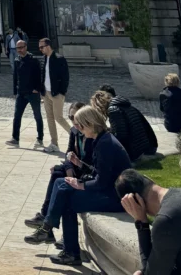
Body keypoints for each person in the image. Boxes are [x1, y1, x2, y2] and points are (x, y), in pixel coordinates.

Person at [25, 104, 130, 265]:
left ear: (90, 124)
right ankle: (54, 235)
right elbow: (100, 171)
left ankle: (57, 239)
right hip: (109, 190)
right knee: (61, 182)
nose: (78, 129)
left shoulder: (105, 144)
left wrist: (81, 185)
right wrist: (80, 165)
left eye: (80, 126)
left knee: (67, 200)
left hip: (114, 197)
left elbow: (102, 181)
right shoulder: (101, 139)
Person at [116, 164, 181, 275]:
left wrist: (141, 222)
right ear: (149, 179)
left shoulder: (166, 220)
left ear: (134, 203)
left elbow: (153, 272)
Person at [24, 101, 94, 228]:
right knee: (56, 172)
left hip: (86, 172)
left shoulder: (90, 134)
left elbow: (90, 163)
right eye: (70, 117)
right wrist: (68, 168)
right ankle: (45, 217)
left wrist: (73, 167)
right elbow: (68, 153)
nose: (73, 121)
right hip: (75, 168)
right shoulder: (74, 131)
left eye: (75, 117)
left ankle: (47, 221)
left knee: (59, 178)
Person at [95, 85, 158, 163]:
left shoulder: (113, 109)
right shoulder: (124, 105)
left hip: (132, 153)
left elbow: (120, 135)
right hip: (141, 148)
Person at [6, 40, 44, 148]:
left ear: (26, 47)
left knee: (37, 116)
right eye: (18, 48)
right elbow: (15, 77)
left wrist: (37, 89)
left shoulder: (33, 60)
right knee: (17, 116)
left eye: (21, 47)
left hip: (32, 93)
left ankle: (40, 138)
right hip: (21, 93)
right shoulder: (17, 60)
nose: (20, 50)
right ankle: (15, 138)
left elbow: (39, 75)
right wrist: (15, 91)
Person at [39, 37, 71, 154]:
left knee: (58, 117)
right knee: (50, 118)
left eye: (41, 47)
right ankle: (54, 143)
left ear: (48, 46)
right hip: (46, 93)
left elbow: (65, 77)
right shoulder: (43, 59)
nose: (40, 49)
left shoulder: (59, 59)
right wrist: (42, 92)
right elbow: (42, 76)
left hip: (57, 93)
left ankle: (75, 134)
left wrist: (62, 92)